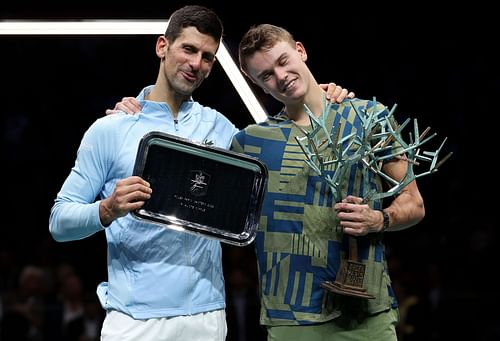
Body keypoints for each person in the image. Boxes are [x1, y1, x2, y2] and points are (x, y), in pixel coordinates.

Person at [49, 5, 352, 341]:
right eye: (189, 49)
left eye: (207, 57)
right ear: (162, 46)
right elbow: (59, 222)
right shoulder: (111, 129)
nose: (197, 64)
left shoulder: (221, 129)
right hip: (134, 321)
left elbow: (284, 148)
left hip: (208, 318)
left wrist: (320, 97)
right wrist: (107, 209)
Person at [230, 24, 425, 340]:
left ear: (300, 52)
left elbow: (414, 203)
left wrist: (380, 219)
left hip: (365, 313)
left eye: (283, 61)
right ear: (258, 85)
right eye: (266, 75)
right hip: (289, 317)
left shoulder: (368, 117)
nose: (280, 76)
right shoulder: (249, 145)